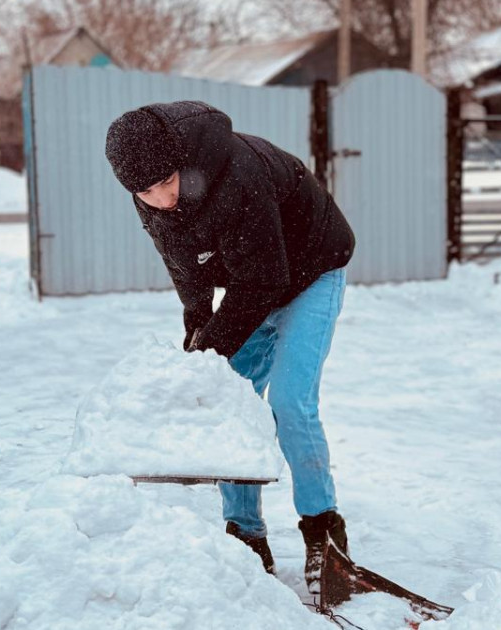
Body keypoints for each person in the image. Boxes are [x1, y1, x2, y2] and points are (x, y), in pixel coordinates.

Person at [104, 101, 355, 592]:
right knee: (229, 395)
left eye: (167, 183)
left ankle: (324, 532)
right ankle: (245, 532)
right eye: (146, 192)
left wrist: (211, 352)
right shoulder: (151, 193)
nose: (161, 199)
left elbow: (265, 279)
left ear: (180, 161)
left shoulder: (236, 172)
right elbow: (184, 265)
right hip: (256, 281)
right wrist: (197, 328)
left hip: (311, 269)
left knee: (289, 399)